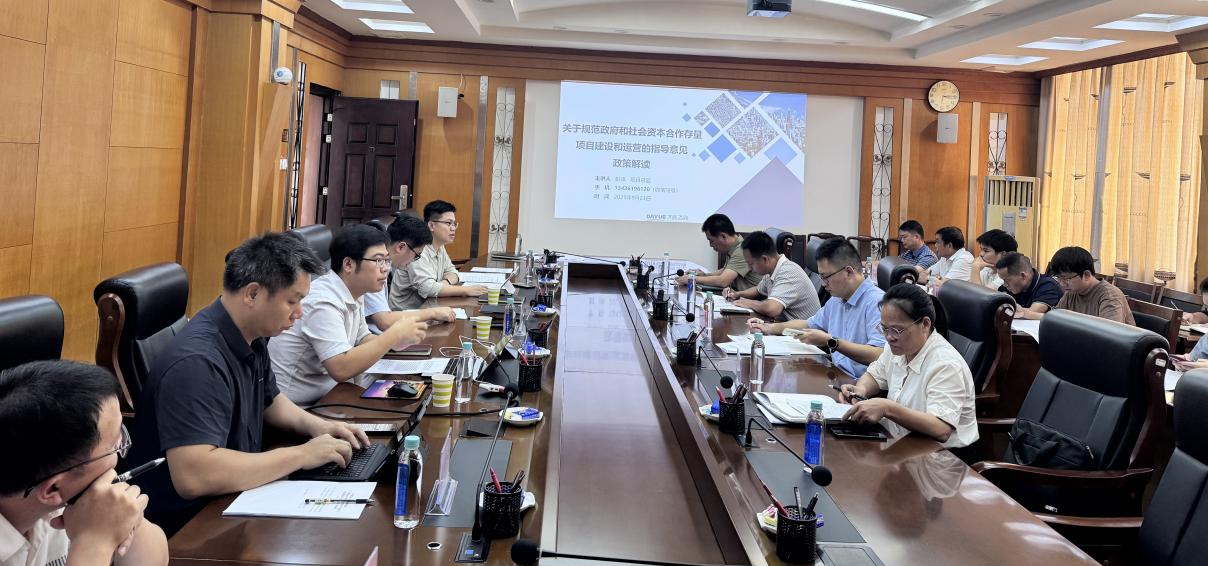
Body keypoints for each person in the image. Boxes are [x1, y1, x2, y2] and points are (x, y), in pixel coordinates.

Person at [128, 232, 371, 536]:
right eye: (292, 301)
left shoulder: (251, 335)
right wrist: (302, 455)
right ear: (252, 294)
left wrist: (319, 426)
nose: (299, 313)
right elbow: (194, 475)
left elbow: (271, 401)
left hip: (234, 498)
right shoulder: (197, 363)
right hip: (189, 527)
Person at [1, 361, 168, 566]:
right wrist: (95, 543)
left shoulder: (73, 499)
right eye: (114, 446)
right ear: (53, 489)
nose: (121, 450)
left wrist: (128, 519)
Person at [269, 225, 429, 406]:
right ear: (348, 264)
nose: (385, 269)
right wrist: (393, 335)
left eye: (386, 260)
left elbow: (362, 338)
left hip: (333, 393)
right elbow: (341, 368)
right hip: (301, 406)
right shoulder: (322, 301)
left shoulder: (354, 291)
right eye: (378, 260)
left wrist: (395, 342)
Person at [839, 283, 978, 449]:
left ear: (925, 324)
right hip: (898, 442)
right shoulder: (897, 347)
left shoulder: (946, 364)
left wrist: (887, 408)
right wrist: (861, 390)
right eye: (884, 329)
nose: (889, 337)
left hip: (940, 455)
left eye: (897, 330)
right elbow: (875, 375)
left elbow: (941, 428)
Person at [748, 238, 885, 378]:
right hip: (835, 374)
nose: (823, 284)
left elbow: (879, 354)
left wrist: (831, 342)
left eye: (826, 277)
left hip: (860, 384)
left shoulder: (877, 302)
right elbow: (808, 324)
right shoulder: (837, 299)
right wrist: (769, 328)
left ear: (848, 272)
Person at [364, 214, 456, 333]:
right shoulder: (373, 268)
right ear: (401, 247)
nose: (414, 261)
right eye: (416, 255)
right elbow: (384, 321)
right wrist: (432, 313)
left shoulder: (385, 266)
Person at [389, 200, 488, 310]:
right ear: (431, 225)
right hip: (405, 312)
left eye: (454, 224)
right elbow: (428, 289)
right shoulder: (416, 250)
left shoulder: (439, 245)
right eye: (448, 223)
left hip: (428, 307)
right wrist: (466, 290)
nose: (453, 228)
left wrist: (444, 284)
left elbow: (452, 271)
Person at [722, 231, 821, 322]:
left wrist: (749, 303)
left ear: (765, 259)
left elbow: (772, 309)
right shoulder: (773, 269)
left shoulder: (788, 273)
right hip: (786, 327)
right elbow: (758, 290)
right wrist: (737, 294)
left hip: (803, 332)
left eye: (751, 264)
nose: (749, 268)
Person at [1042, 246, 1135, 325]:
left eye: (1066, 279)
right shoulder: (1071, 292)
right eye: (1058, 278)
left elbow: (1110, 334)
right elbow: (1055, 318)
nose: (1062, 284)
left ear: (1086, 275)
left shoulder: (1110, 296)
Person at [675, 214, 760, 291]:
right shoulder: (734, 247)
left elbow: (723, 281)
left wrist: (691, 279)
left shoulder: (742, 250)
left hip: (755, 300)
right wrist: (705, 275)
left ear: (723, 236)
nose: (710, 245)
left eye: (711, 240)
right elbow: (726, 270)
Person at [995, 252, 1063, 319]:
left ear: (1023, 276)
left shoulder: (1048, 286)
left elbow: (1032, 312)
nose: (1005, 285)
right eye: (1003, 280)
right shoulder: (1009, 287)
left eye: (1007, 280)